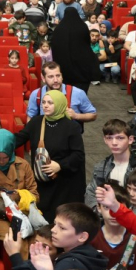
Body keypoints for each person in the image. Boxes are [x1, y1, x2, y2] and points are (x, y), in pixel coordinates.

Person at [13, 90, 85, 220]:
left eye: (50, 103)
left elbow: (78, 155)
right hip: (43, 181)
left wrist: (59, 165)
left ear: (60, 104)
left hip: (64, 182)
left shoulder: (71, 127)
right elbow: (19, 138)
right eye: (44, 102)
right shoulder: (36, 122)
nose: (45, 105)